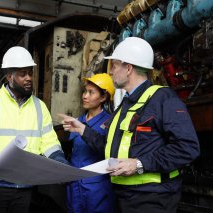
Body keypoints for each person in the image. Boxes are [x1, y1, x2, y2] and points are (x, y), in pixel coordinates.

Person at [60, 37, 200, 213]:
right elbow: (110, 147)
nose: (110, 72)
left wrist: (139, 164)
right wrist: (82, 129)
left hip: (152, 199)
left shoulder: (163, 99)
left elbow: (188, 147)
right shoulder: (125, 105)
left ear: (128, 68)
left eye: (114, 65)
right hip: (123, 197)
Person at [0, 46, 69, 213]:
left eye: (30, 73)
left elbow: (49, 143)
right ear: (9, 76)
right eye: (22, 74)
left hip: (25, 188)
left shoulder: (40, 107)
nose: (29, 78)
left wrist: (61, 164)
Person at [66, 73, 115, 213]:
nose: (84, 96)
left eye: (91, 92)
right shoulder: (77, 121)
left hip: (97, 189)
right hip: (74, 186)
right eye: (85, 91)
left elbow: (109, 151)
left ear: (103, 97)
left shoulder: (110, 123)